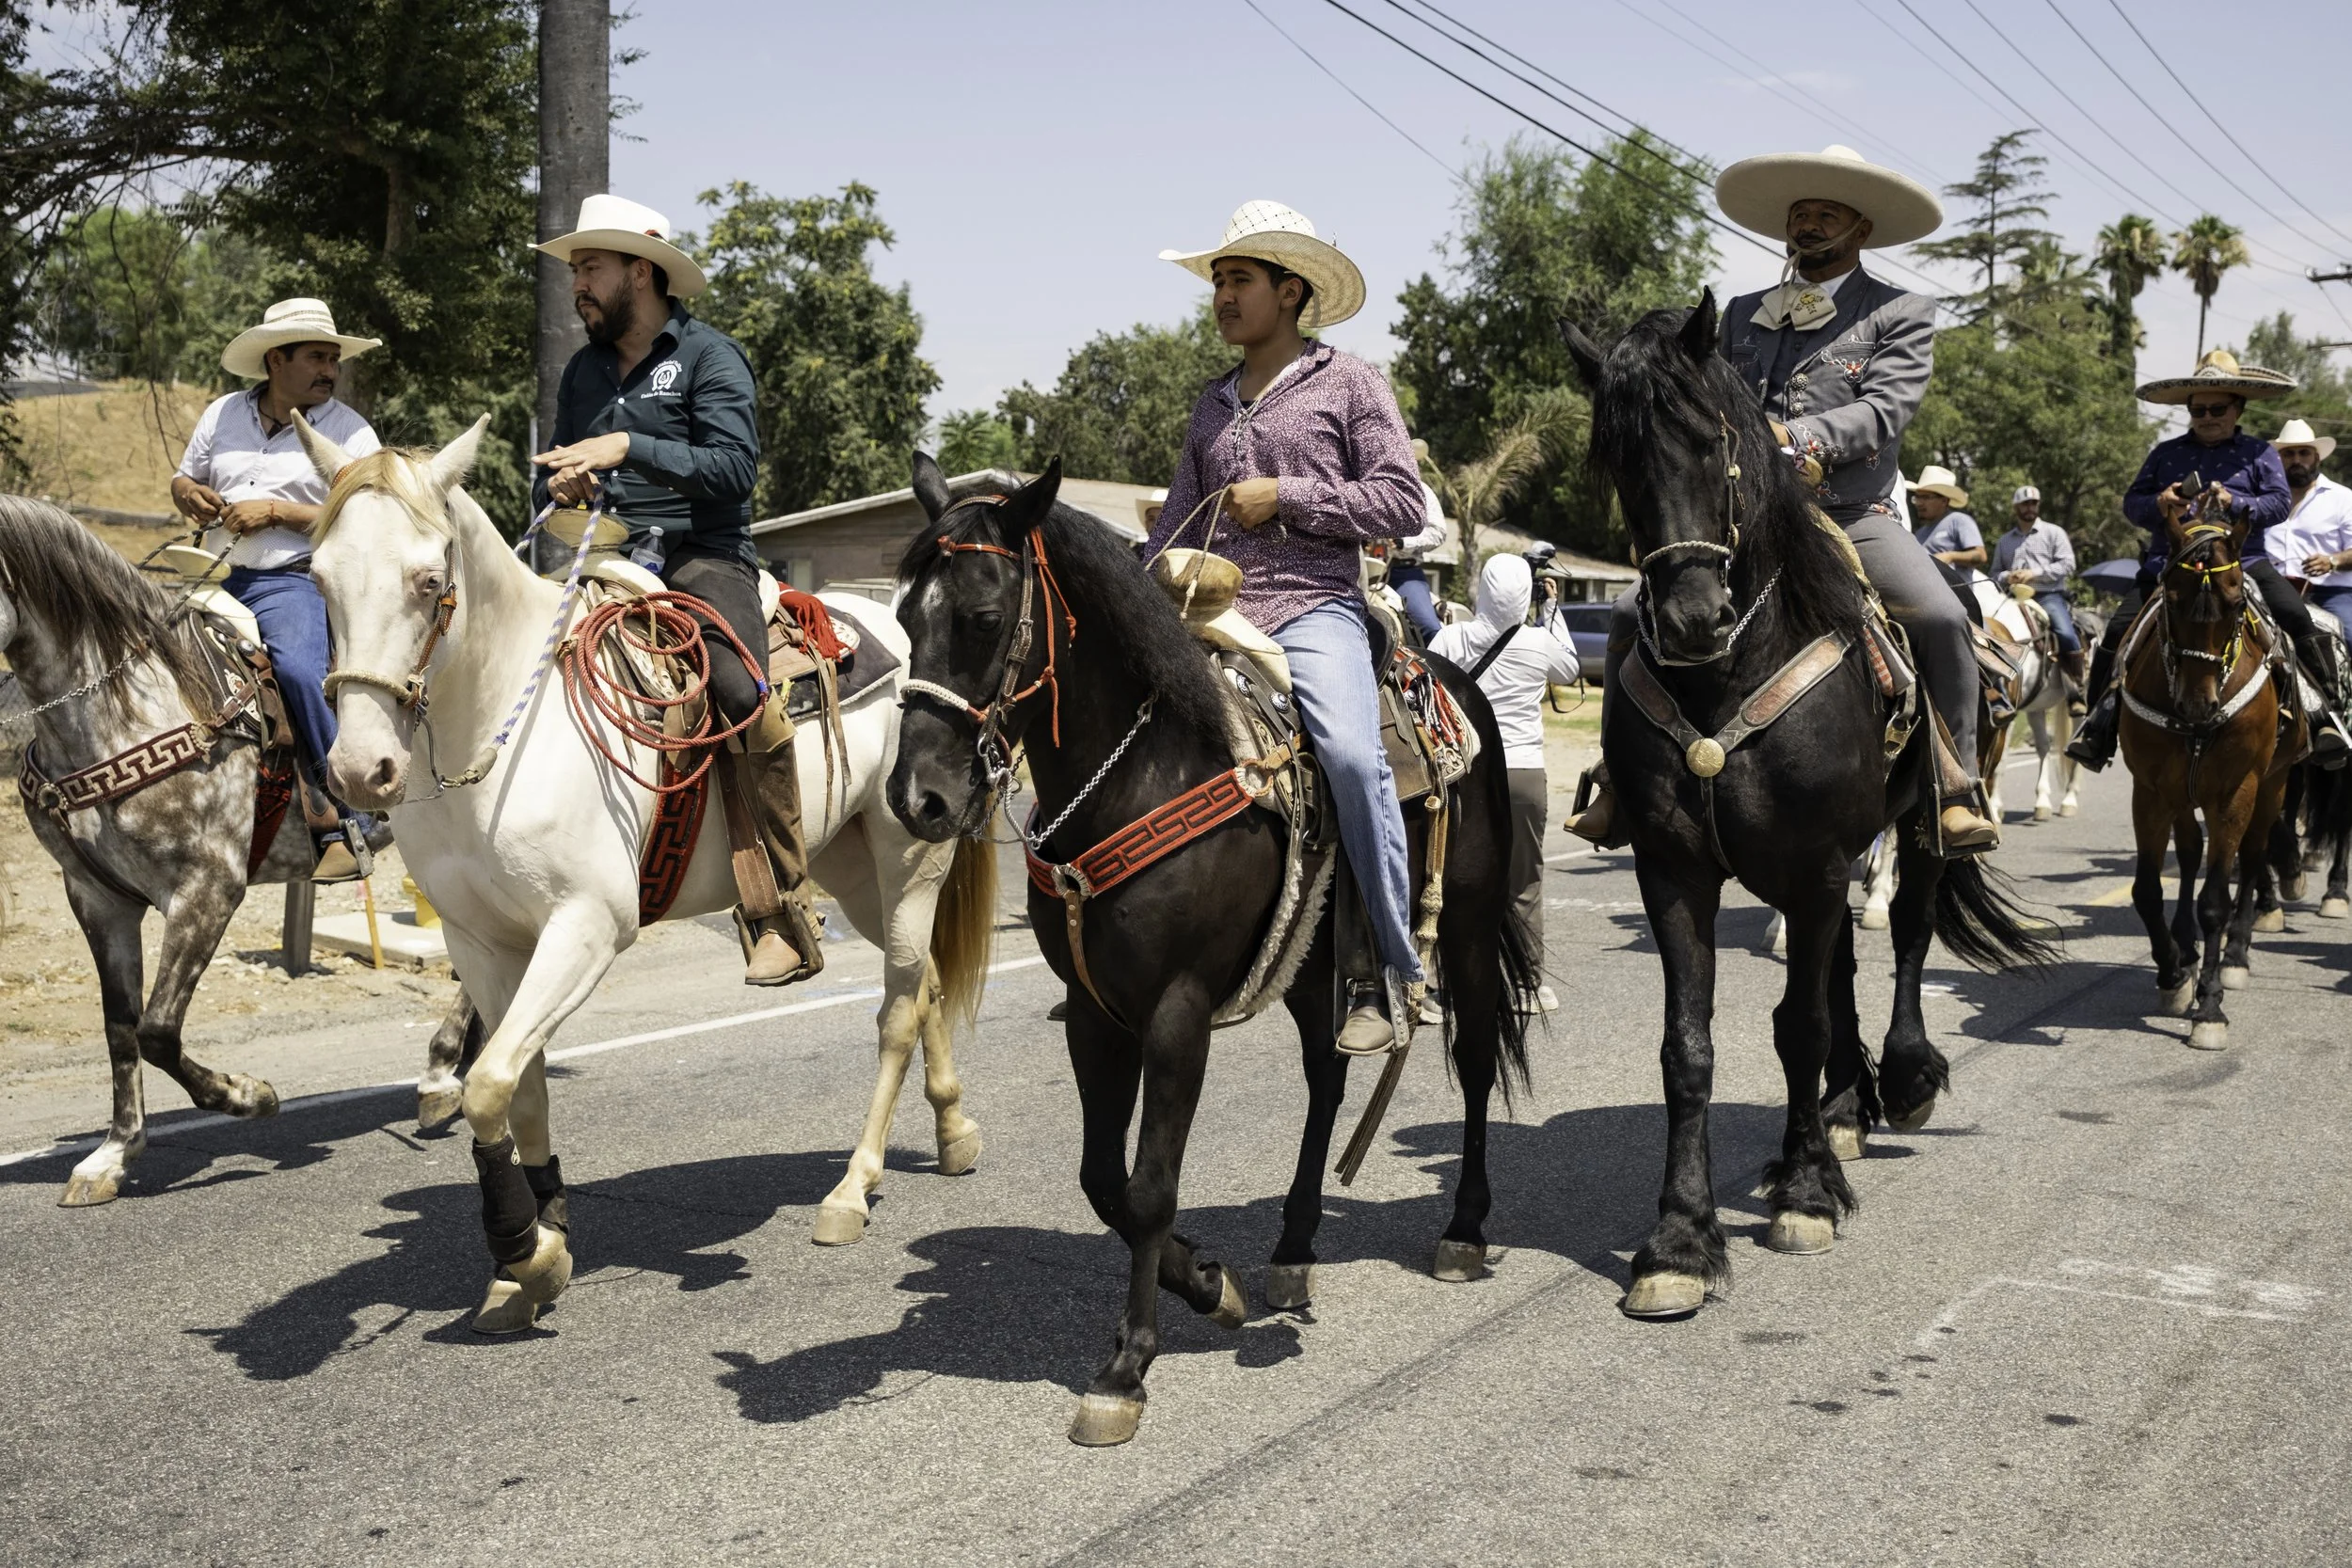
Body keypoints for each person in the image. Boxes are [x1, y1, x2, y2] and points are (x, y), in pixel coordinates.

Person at [1567, 145, 1999, 851]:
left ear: (1860, 228)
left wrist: (1787, 437)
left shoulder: (1901, 313)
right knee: (1626, 610)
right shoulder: (1735, 315)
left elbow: (1882, 413)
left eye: (1827, 212)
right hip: (1747, 519)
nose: (1809, 223)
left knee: (1946, 617)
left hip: (1852, 517)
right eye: (1800, 213)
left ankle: (1955, 785)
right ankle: (1618, 777)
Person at [1146, 200, 1425, 1054]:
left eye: (1240, 280)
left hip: (1313, 604)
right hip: (1213, 612)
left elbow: (1404, 502)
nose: (1223, 296)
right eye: (1220, 281)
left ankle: (1388, 967)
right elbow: (1178, 527)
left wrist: (1289, 497)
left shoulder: (1351, 381)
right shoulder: (1210, 404)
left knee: (1347, 753)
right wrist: (1137, 579)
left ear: (1290, 290)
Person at [530, 194, 823, 986]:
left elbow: (733, 470)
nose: (577, 284)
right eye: (575, 269)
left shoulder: (710, 357)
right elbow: (560, 476)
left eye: (589, 268)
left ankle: (783, 909)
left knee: (739, 687)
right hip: (609, 556)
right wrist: (568, 490)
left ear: (641, 270)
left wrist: (630, 444)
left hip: (705, 554)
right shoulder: (582, 371)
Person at [171, 297, 385, 881]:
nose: (330, 371)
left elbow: (370, 520)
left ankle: (347, 817)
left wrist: (276, 511)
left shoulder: (351, 432)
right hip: (210, 572)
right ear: (275, 361)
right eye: (317, 357)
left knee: (295, 670)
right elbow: (186, 475)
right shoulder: (220, 415)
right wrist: (188, 491)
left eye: (333, 359)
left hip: (290, 579)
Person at [2069, 351, 2348, 768]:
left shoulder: (2259, 453)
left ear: (2237, 409)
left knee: (2298, 620)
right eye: (2198, 410)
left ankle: (2324, 718)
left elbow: (2275, 505)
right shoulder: (2165, 453)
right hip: (2171, 563)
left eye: (2217, 409)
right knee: (2118, 633)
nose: (2208, 416)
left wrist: (2233, 500)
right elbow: (2132, 504)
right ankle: (2097, 725)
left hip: (2243, 563)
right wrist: (2160, 502)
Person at [1429, 553, 1578, 1012]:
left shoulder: (1453, 636)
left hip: (1466, 769)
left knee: (1447, 877)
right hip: (1523, 772)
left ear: (1483, 589)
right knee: (1523, 879)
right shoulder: (1537, 642)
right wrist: (1551, 611)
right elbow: (1570, 670)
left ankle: (1440, 985)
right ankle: (1529, 982)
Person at [1991, 484, 2086, 712]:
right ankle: (1995, 690)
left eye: (2033, 503)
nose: (2030, 507)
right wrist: (2008, 576)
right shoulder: (2005, 541)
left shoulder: (2054, 533)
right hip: (2011, 596)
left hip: (2047, 595)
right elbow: (1994, 573)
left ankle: (2076, 689)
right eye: (2025, 504)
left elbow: (2068, 564)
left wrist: (2034, 573)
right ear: (2016, 507)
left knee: (2065, 632)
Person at [2262, 418, 2352, 632]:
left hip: (2327, 592)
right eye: (2289, 454)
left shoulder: (2343, 498)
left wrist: (2332, 561)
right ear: (2278, 459)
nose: (2296, 460)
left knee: (2349, 636)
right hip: (2270, 589)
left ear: (2317, 458)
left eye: (2304, 453)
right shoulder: (2263, 499)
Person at [1390, 439, 1449, 642]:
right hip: (1360, 570)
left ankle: (1435, 671)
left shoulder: (1422, 492)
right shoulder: (1367, 486)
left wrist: (1404, 542)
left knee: (1431, 629)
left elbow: (1439, 532)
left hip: (1404, 574)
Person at [1908, 465, 1985, 571]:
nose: (1919, 503)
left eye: (1926, 497)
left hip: (1954, 587)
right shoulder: (1919, 534)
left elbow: (1980, 555)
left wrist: (1950, 556)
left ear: (1944, 501)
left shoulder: (1958, 520)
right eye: (1917, 498)